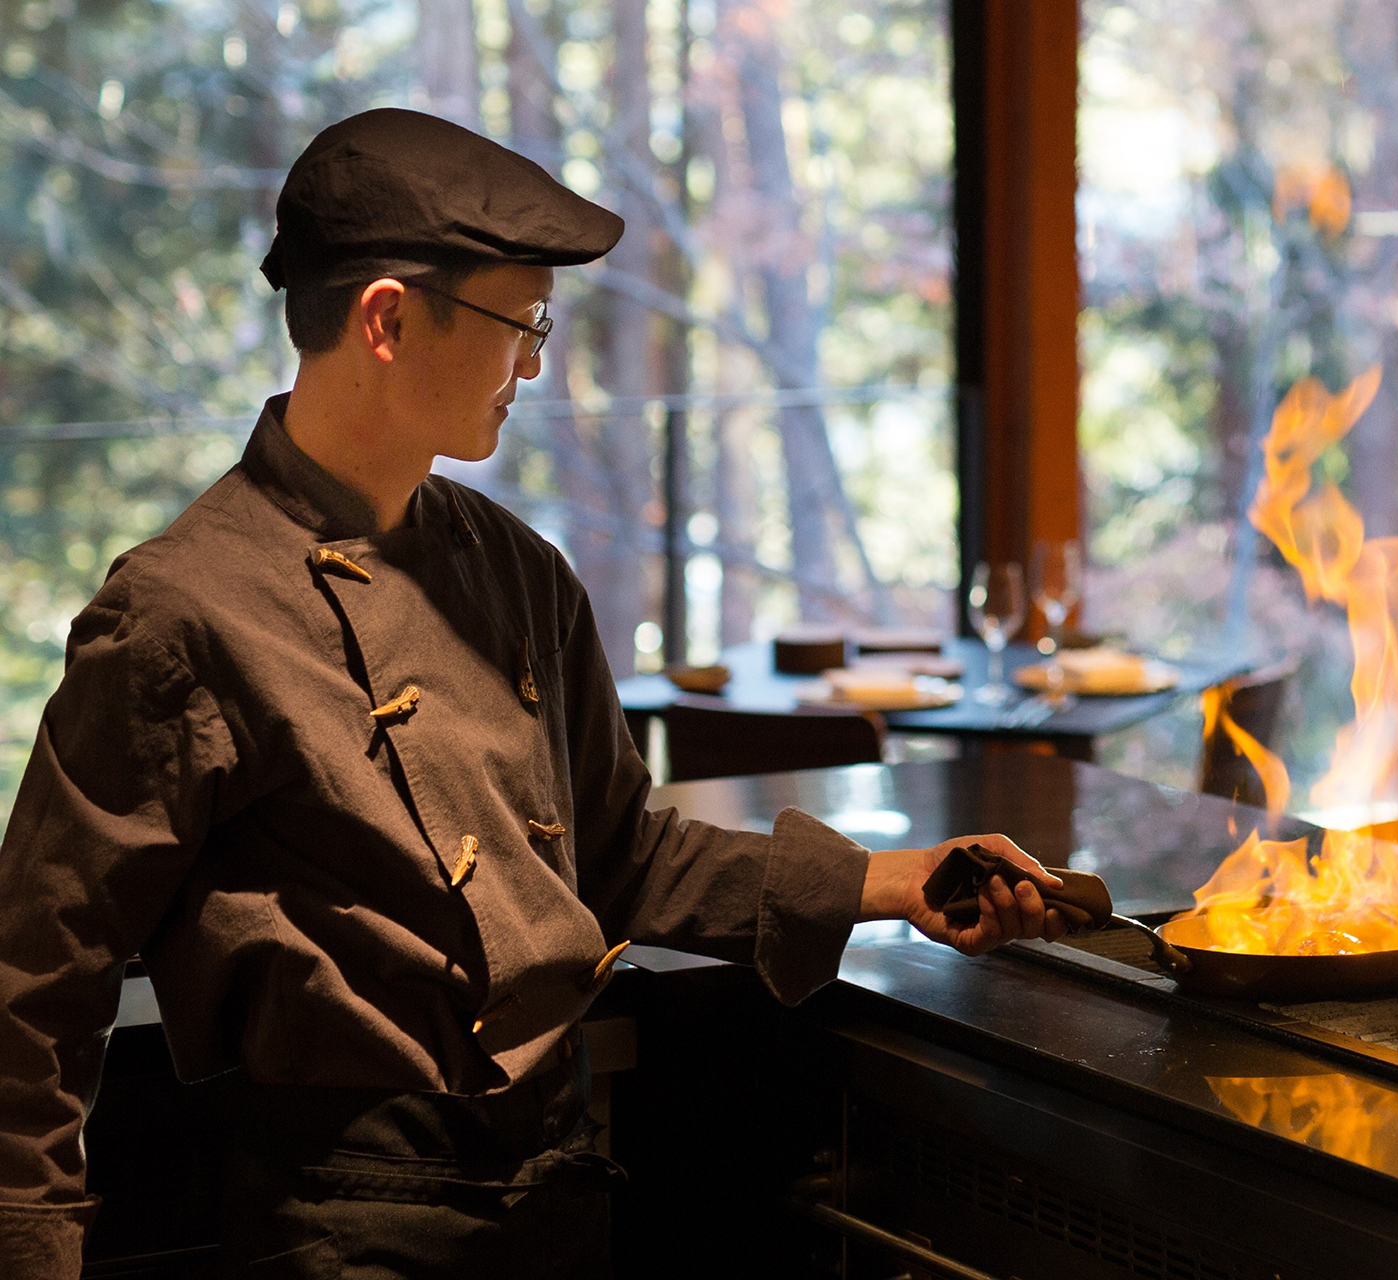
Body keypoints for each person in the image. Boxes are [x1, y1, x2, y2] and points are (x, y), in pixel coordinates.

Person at [0, 108, 1066, 1279]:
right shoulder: (180, 611)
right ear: (389, 319)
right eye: (520, 322)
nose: (536, 362)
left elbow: (621, 852)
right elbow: (37, 977)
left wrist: (895, 880)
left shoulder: (519, 572)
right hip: (347, 1223)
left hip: (556, 1189)